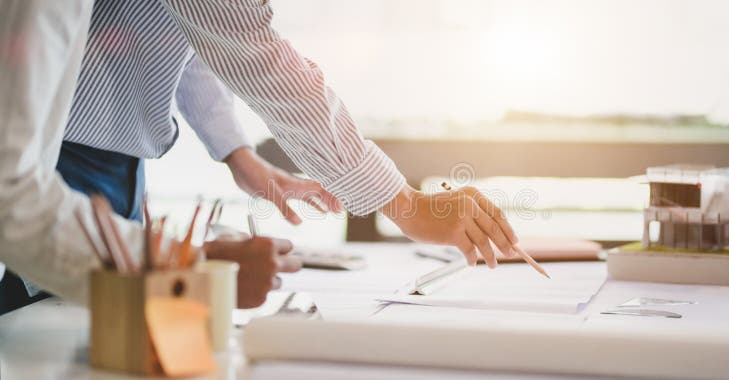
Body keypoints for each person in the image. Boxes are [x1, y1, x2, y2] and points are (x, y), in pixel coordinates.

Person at [0, 0, 519, 314]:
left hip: (114, 165)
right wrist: (403, 202)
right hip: (58, 170)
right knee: (50, 339)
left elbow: (189, 33)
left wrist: (237, 153)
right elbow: (255, 51)